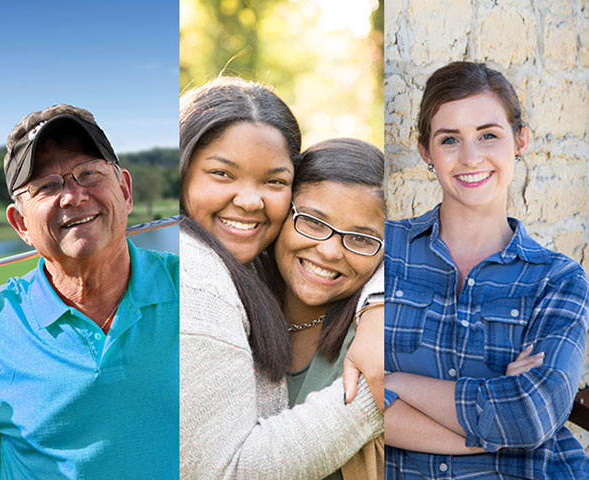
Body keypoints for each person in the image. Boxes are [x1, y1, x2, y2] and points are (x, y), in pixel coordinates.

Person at [384, 61, 589, 478]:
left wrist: (394, 382)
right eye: (449, 140)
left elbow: (530, 417)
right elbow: (348, 399)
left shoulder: (559, 280)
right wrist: (497, 409)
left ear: (520, 140)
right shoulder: (385, 250)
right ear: (426, 151)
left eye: (488, 135)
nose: (470, 157)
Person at [179, 76, 383, 479]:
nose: (250, 201)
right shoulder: (195, 275)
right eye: (222, 173)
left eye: (273, 181)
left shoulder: (250, 262)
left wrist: (384, 302)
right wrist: (381, 392)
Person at [0, 104, 179, 479]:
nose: (72, 195)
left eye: (88, 173)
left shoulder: (193, 288)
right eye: (46, 186)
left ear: (125, 190)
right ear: (21, 223)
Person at [269, 138, 385, 480]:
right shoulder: (228, 306)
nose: (331, 251)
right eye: (313, 222)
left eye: (362, 238)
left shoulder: (374, 340)